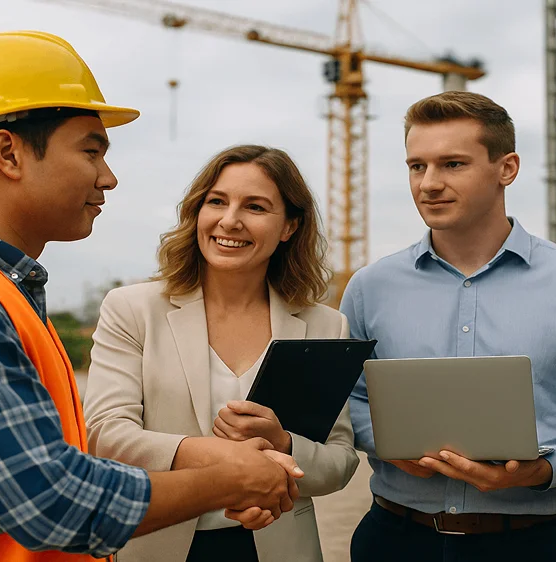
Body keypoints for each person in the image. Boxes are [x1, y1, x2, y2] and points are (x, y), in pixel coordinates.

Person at [0, 32, 302, 562]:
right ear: (8, 152)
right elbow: (52, 501)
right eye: (91, 150)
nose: (109, 177)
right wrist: (228, 478)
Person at [341, 91, 556, 561]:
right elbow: (348, 400)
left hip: (532, 544)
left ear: (507, 168)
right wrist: (386, 441)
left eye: (452, 164)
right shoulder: (368, 287)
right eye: (416, 166)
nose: (429, 183)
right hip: (393, 539)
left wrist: (544, 469)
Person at [83, 144, 360, 562]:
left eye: (255, 206)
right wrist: (225, 460)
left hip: (279, 550)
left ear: (289, 227)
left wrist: (284, 444)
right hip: (158, 546)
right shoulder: (132, 309)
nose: (230, 221)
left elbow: (339, 463)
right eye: (217, 201)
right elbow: (105, 436)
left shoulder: (325, 326)